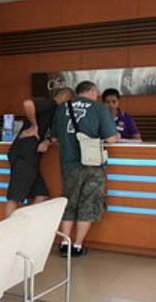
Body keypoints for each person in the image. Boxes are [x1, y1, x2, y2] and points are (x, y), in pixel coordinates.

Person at [51, 80, 120, 256]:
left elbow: (54, 139)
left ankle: (64, 244)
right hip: (92, 165)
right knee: (88, 204)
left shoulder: (61, 108)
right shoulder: (99, 108)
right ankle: (77, 246)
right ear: (92, 92)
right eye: (96, 93)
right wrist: (117, 136)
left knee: (69, 203)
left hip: (69, 165)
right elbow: (111, 138)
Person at [4, 86, 74, 217]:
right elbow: (28, 104)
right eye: (70, 100)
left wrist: (47, 141)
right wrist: (34, 126)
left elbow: (54, 135)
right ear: (64, 97)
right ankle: (8, 227)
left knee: (41, 194)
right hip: (24, 153)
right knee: (15, 196)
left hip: (32, 156)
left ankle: (23, 223)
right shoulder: (51, 104)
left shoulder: (56, 112)